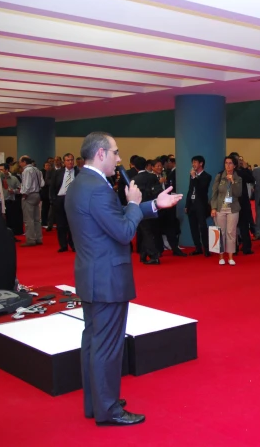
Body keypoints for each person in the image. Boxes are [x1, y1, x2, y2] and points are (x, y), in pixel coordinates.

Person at [66, 131, 182, 426]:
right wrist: (133, 203)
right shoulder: (98, 188)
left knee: (93, 343)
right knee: (106, 346)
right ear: (101, 154)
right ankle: (108, 410)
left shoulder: (82, 183)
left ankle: (98, 403)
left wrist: (154, 205)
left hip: (92, 275)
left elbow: (112, 217)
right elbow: (123, 231)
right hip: (107, 278)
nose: (119, 158)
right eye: (115, 152)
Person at [211, 156, 242, 265]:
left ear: (234, 165)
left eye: (230, 163)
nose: (228, 165)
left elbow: (238, 193)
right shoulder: (219, 176)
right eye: (226, 163)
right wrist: (213, 207)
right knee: (221, 232)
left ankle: (230, 256)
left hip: (233, 209)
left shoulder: (238, 178)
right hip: (220, 208)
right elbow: (214, 193)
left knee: (231, 232)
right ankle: (220, 256)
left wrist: (232, 182)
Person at [152, 160, 186, 257]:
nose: (159, 168)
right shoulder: (151, 178)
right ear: (153, 167)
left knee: (171, 228)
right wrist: (159, 182)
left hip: (168, 208)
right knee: (157, 230)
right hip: (157, 208)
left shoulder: (165, 175)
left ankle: (175, 249)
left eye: (160, 166)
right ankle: (159, 250)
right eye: (157, 166)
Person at [133, 157, 161, 265]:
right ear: (146, 165)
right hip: (153, 206)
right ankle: (143, 254)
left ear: (135, 167)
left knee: (146, 231)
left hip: (141, 207)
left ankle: (154, 255)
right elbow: (158, 191)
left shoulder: (134, 179)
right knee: (149, 231)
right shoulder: (152, 177)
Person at [50, 153, 80, 253]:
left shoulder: (79, 173)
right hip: (60, 199)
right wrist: (53, 200)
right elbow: (52, 188)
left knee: (73, 224)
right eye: (68, 160)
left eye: (71, 160)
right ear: (64, 162)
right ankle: (63, 245)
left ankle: (73, 244)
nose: (70, 162)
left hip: (74, 200)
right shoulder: (58, 173)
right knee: (61, 224)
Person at [185, 155, 211, 257]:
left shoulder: (206, 176)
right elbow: (190, 190)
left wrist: (195, 177)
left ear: (201, 164)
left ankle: (206, 249)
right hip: (192, 204)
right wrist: (187, 205)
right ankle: (198, 248)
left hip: (201, 205)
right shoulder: (192, 175)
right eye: (193, 162)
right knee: (193, 227)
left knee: (203, 227)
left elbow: (201, 189)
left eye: (195, 162)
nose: (193, 164)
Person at [19, 156, 44, 247]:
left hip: (29, 195)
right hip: (37, 194)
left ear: (24, 162)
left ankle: (30, 239)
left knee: (28, 219)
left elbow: (27, 184)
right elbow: (42, 183)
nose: (19, 164)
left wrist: (24, 193)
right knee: (37, 219)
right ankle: (38, 238)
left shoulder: (26, 171)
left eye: (20, 162)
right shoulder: (37, 170)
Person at [0, 163, 23, 238]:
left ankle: (12, 236)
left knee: (12, 220)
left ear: (7, 170)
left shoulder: (14, 178)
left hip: (11, 202)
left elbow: (20, 189)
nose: (0, 172)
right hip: (0, 202)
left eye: (2, 170)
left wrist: (14, 191)